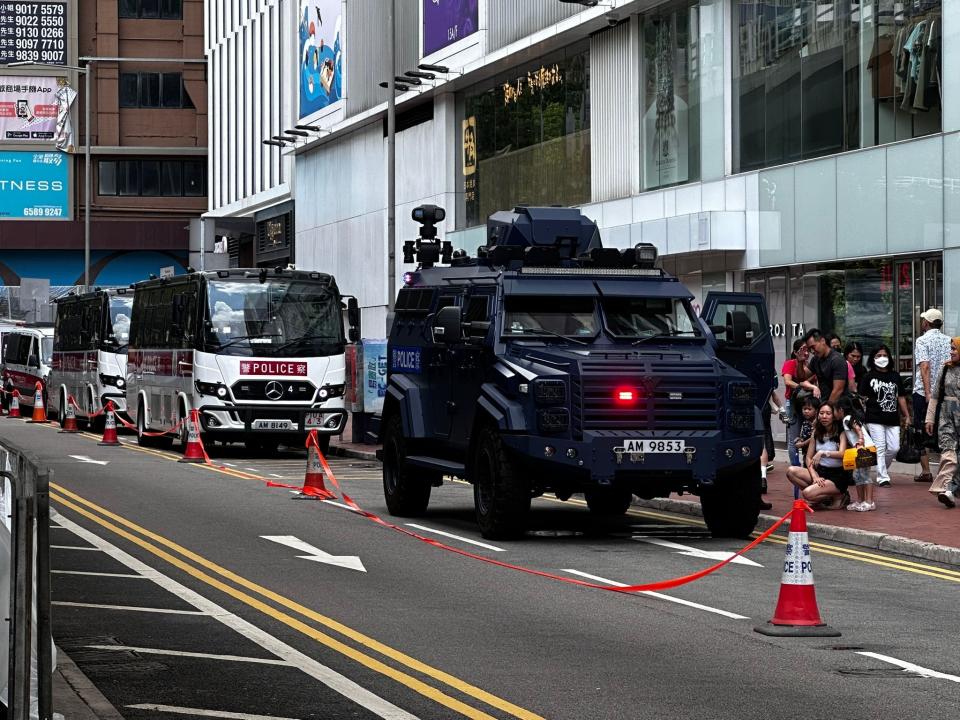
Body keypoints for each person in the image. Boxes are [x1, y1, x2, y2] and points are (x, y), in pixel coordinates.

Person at [859, 344, 910, 487]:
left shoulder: (895, 376)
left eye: (884, 355)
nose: (882, 358)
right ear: (873, 358)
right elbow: (861, 398)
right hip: (874, 417)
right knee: (880, 447)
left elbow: (901, 397)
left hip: (892, 417)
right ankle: (882, 478)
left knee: (894, 448)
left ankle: (882, 470)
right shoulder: (868, 377)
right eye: (878, 356)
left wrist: (906, 415)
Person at [786, 401, 850, 508]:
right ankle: (824, 496)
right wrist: (815, 476)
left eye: (828, 413)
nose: (824, 416)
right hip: (820, 472)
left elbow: (842, 453)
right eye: (821, 413)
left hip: (836, 476)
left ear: (834, 416)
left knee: (807, 494)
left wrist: (823, 453)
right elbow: (808, 457)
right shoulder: (816, 432)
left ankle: (839, 495)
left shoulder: (841, 432)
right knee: (791, 471)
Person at [913, 308, 952, 484]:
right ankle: (946, 471)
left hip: (924, 392)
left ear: (926, 323)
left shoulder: (922, 340)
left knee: (921, 431)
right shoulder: (948, 340)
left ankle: (927, 470)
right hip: (945, 393)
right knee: (944, 431)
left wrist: (928, 392)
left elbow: (925, 367)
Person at [925, 336, 960, 508]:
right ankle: (946, 489)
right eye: (951, 348)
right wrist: (929, 418)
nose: (951, 352)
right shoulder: (945, 368)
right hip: (947, 414)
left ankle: (951, 490)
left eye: (954, 349)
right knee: (948, 451)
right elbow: (935, 396)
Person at [837, 395, 876, 512]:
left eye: (835, 410)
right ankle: (860, 500)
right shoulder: (850, 418)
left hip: (864, 449)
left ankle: (869, 501)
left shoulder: (847, 419)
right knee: (858, 475)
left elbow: (857, 428)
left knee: (865, 476)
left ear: (841, 409)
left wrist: (860, 440)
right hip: (861, 450)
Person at [781, 339, 812, 466]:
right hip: (793, 404)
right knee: (793, 438)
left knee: (809, 435)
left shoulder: (810, 365)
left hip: (808, 405)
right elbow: (787, 381)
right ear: (795, 351)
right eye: (803, 349)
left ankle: (807, 464)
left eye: (807, 349)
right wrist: (801, 387)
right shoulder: (790, 363)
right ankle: (795, 465)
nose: (806, 352)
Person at [805, 328, 848, 404]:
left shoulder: (837, 360)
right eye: (809, 349)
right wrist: (799, 360)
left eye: (813, 347)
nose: (812, 351)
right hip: (823, 402)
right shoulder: (815, 359)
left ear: (822, 341)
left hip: (837, 406)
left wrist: (827, 409)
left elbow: (838, 390)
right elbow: (801, 376)